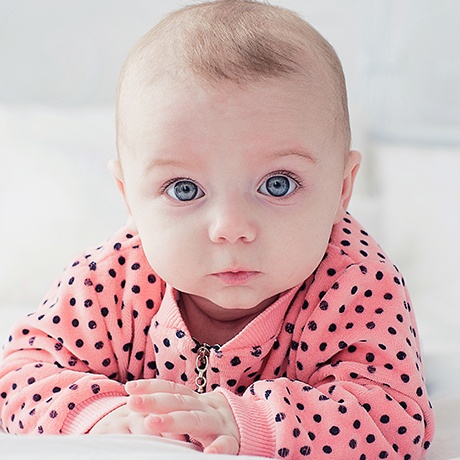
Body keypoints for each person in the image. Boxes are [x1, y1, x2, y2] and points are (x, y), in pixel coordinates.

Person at [0, 0, 434, 458]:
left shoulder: (356, 284)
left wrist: (248, 422)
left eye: (277, 184)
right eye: (184, 189)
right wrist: (99, 414)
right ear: (129, 196)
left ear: (341, 190)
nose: (230, 229)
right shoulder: (112, 278)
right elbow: (20, 373)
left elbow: (395, 421)